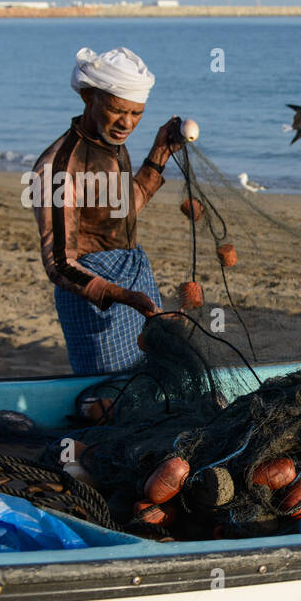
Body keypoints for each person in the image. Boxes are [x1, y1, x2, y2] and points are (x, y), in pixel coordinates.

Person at [31, 46, 183, 374]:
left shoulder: (113, 147)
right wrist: (121, 295)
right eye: (117, 110)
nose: (127, 123)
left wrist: (159, 153)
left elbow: (121, 211)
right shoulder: (58, 167)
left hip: (134, 282)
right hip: (94, 299)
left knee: (149, 381)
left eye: (136, 113)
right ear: (89, 97)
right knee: (108, 398)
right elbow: (58, 264)